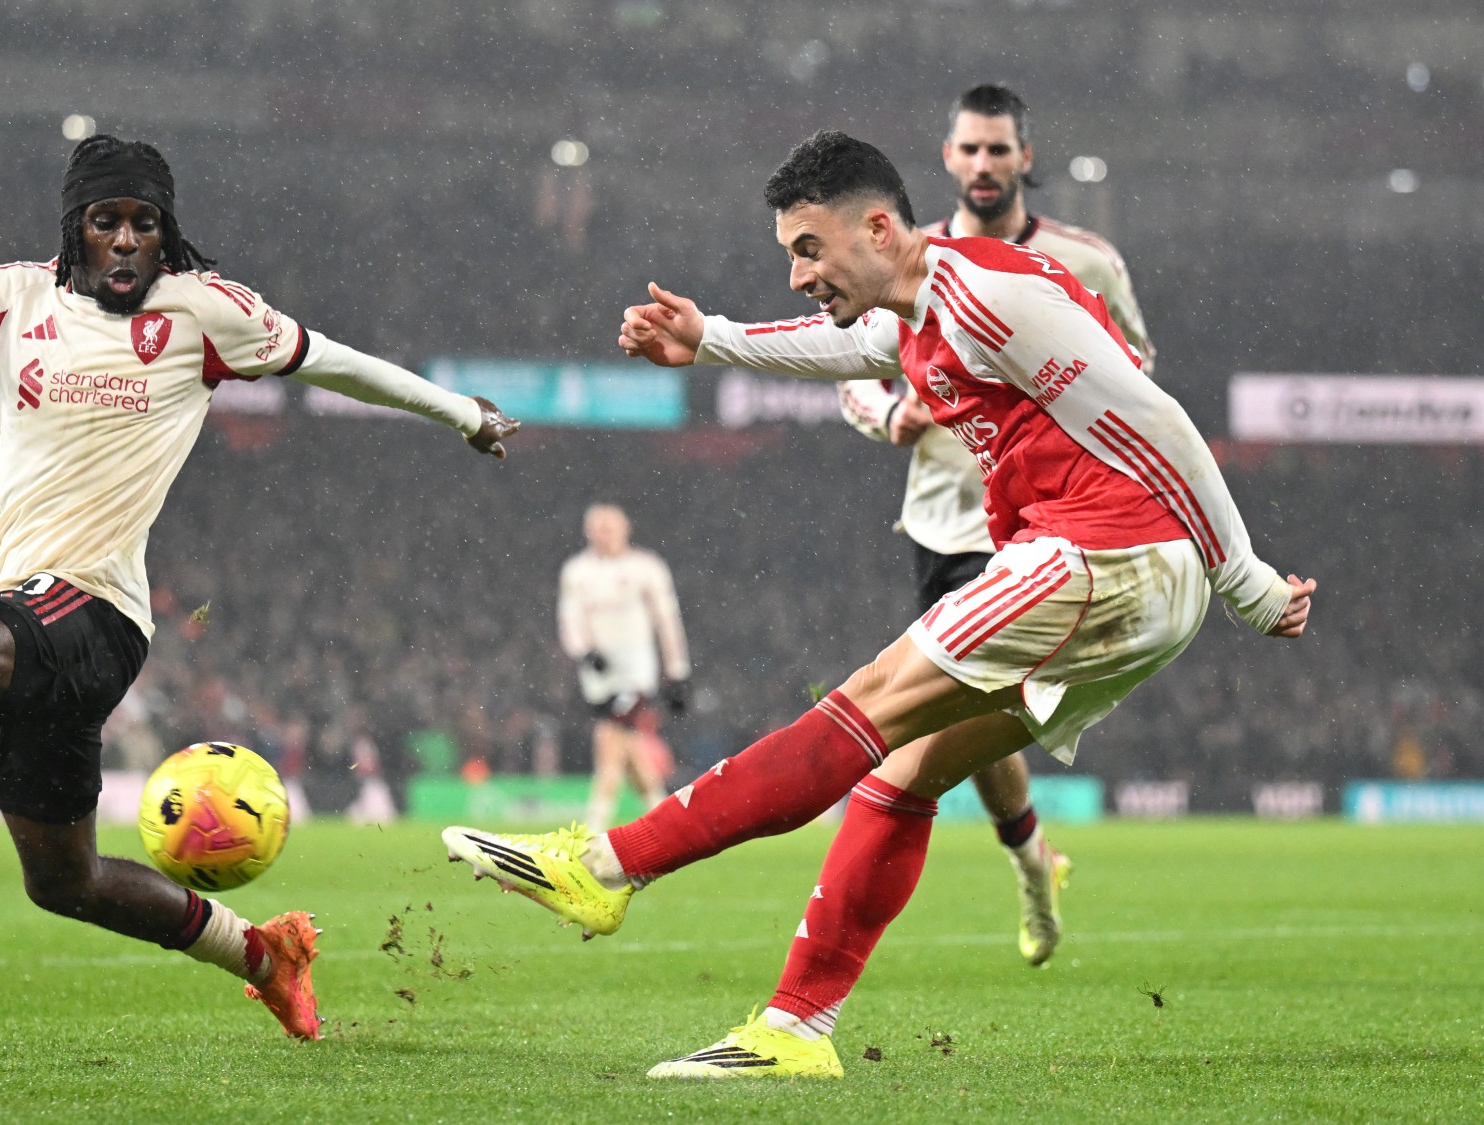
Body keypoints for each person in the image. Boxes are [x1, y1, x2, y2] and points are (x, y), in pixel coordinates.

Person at [444, 130, 1314, 1077]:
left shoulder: (990, 295)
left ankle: (609, 866)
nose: (796, 274)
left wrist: (1250, 583)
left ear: (878, 227)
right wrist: (710, 339)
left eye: (807, 249)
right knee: (901, 774)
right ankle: (794, 1030)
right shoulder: (919, 309)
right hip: (1109, 569)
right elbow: (849, 349)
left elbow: (1162, 426)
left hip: (1109, 552)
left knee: (867, 699)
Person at [0, 129, 520, 1041]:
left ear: (165, 233)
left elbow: (335, 360)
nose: (124, 240)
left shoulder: (203, 312)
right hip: (27, 604)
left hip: (101, 610)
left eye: (144, 225)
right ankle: (264, 957)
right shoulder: (8, 300)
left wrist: (462, 412)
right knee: (63, 881)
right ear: (75, 229)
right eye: (105, 221)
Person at [833, 83, 1157, 966]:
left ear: (1026, 158)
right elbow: (847, 360)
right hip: (950, 521)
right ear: (947, 159)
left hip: (1056, 516)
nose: (983, 165)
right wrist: (885, 415)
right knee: (969, 712)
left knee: (962, 714)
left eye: (999, 150)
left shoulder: (1088, 262)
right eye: (969, 150)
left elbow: (1138, 371)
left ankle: (971, 860)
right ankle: (1029, 859)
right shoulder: (908, 255)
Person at [557, 504, 691, 831]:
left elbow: (666, 619)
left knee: (610, 735)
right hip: (597, 671)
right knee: (626, 741)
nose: (605, 534)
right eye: (599, 528)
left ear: (625, 529)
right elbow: (570, 617)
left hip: (636, 667)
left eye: (611, 527)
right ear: (588, 532)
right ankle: (663, 815)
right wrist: (584, 651)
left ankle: (595, 821)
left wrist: (677, 671)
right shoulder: (577, 571)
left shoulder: (647, 568)